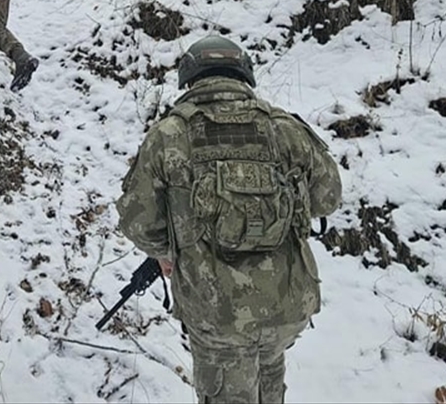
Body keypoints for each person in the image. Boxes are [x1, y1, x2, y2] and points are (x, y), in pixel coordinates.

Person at [116, 36, 342, 404]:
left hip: (217, 314)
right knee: (270, 374)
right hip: (285, 306)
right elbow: (328, 197)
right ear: (244, 75)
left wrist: (166, 252)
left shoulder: (169, 136)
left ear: (189, 77)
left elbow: (138, 221)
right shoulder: (285, 129)